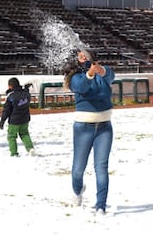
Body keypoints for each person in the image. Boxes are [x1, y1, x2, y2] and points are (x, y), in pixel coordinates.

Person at [63, 48, 115, 215]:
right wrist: (90, 74)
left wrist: (101, 70)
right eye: (80, 54)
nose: (83, 56)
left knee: (101, 167)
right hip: (83, 127)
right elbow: (81, 86)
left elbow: (111, 76)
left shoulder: (101, 71)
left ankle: (101, 205)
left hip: (105, 126)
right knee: (78, 169)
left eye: (85, 53)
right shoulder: (74, 76)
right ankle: (77, 192)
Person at [0, 77, 35, 157]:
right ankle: (30, 148)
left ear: (10, 86)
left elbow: (6, 110)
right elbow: (27, 96)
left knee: (11, 136)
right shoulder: (25, 94)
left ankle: (14, 153)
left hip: (14, 121)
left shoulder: (11, 96)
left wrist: (2, 121)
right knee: (25, 134)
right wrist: (26, 89)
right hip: (25, 119)